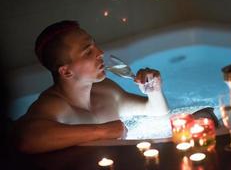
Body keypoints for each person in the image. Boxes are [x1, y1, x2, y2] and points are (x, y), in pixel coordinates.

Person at [11, 20, 169, 154]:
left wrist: (154, 91)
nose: (100, 52)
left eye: (95, 45)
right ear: (66, 72)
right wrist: (103, 131)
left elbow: (157, 113)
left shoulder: (105, 90)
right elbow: (27, 139)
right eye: (88, 52)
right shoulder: (55, 105)